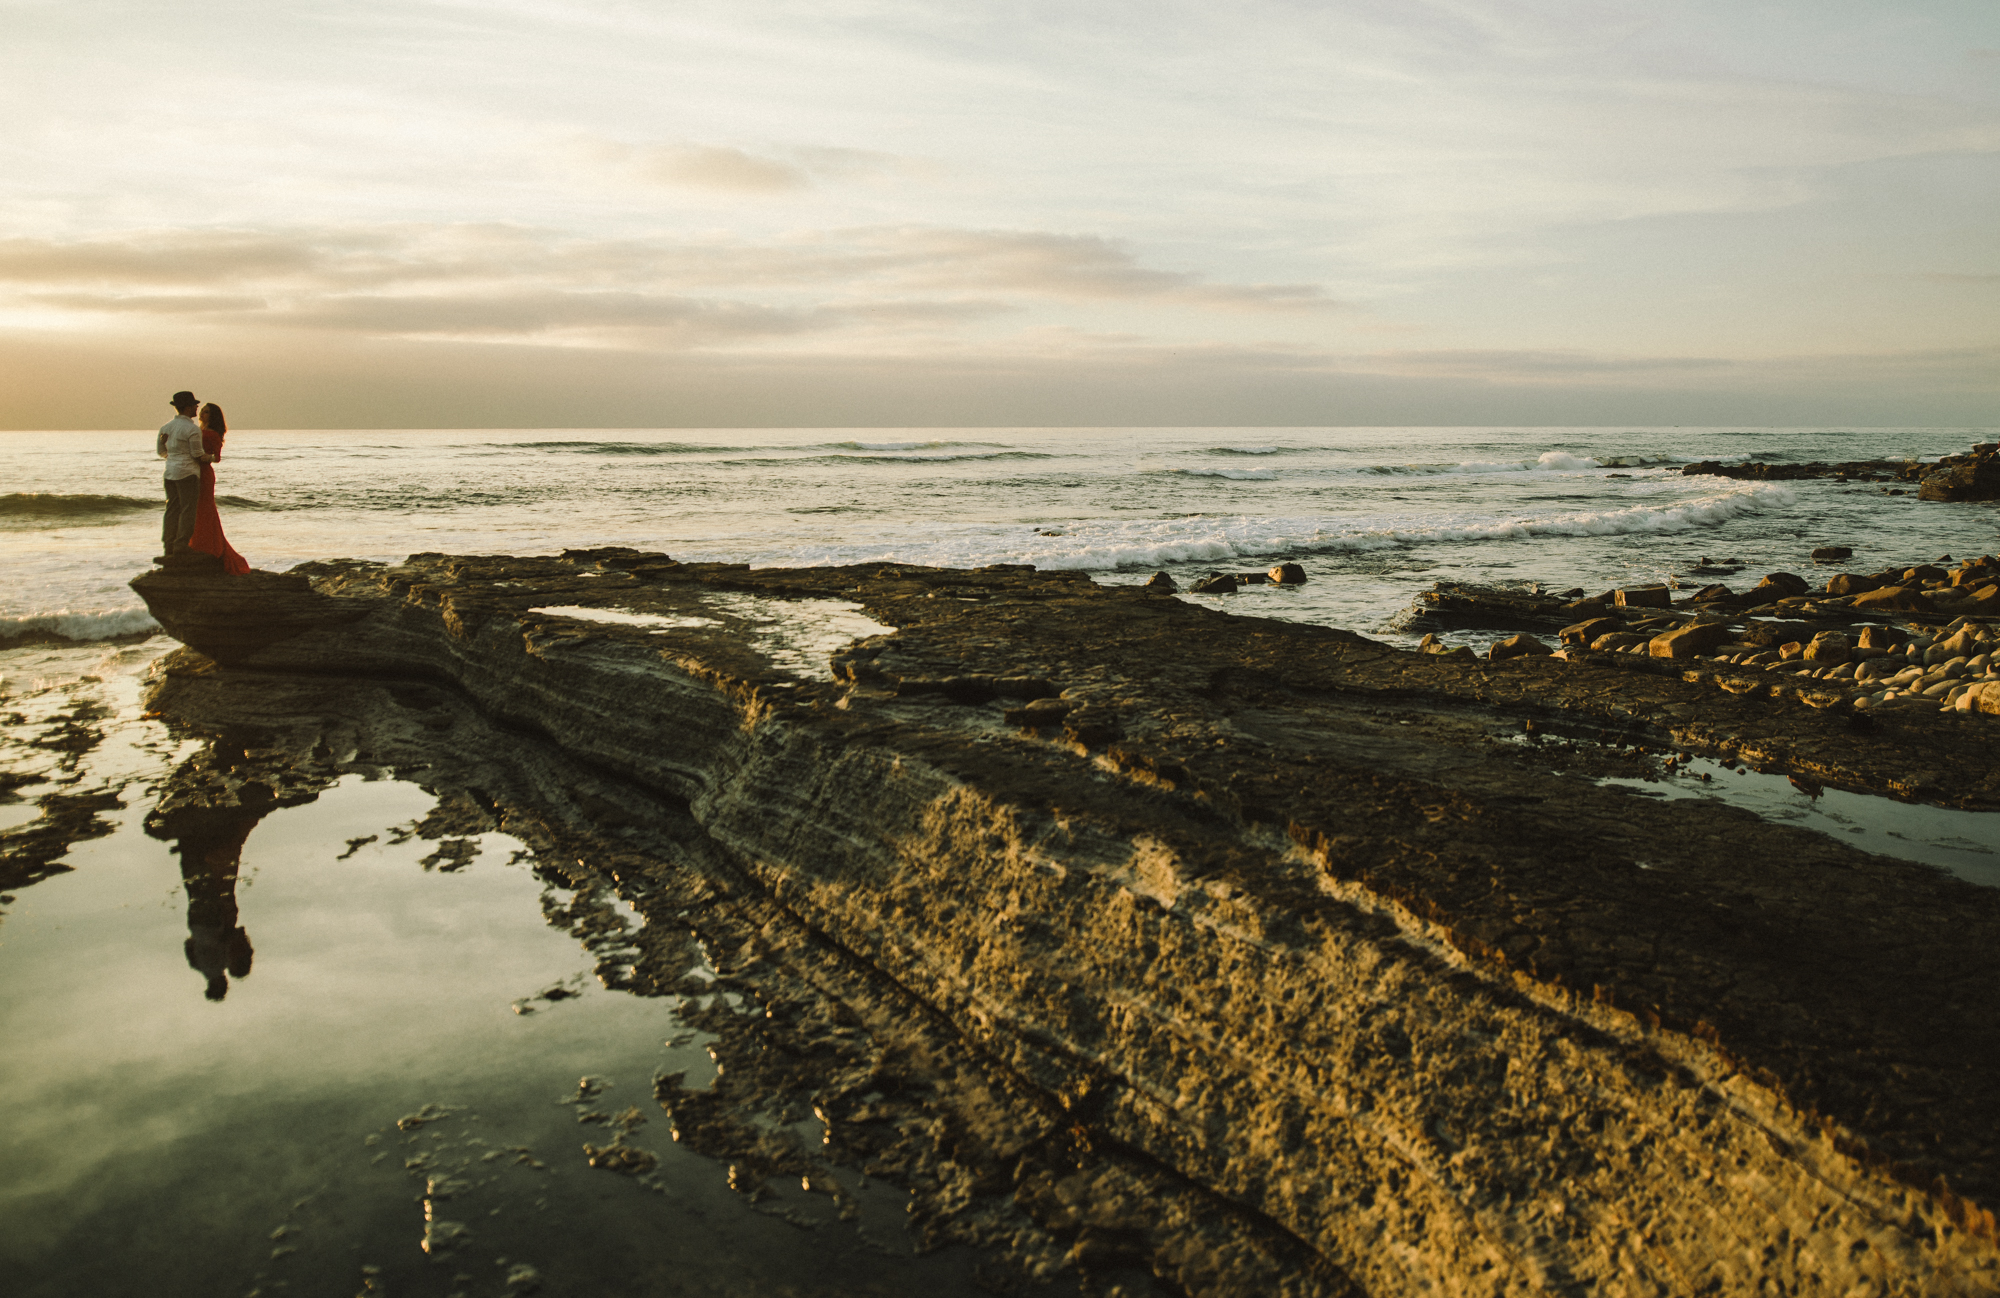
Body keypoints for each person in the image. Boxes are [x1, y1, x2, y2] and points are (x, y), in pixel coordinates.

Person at [187, 402, 250, 574]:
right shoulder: (196, 430)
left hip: (204, 473)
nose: (202, 414)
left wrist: (202, 457)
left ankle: (208, 545)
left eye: (207, 412)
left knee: (205, 508)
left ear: (213, 416)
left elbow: (217, 458)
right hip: (192, 471)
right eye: (202, 411)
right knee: (195, 508)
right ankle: (198, 543)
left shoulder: (212, 434)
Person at [155, 391, 210, 556]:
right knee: (188, 509)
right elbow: (197, 454)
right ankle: (181, 544)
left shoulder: (165, 428)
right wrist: (213, 457)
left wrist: (173, 458)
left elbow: (161, 451)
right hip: (187, 473)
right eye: (194, 405)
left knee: (171, 509)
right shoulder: (192, 429)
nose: (197, 408)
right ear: (187, 408)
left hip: (170, 472)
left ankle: (168, 544)